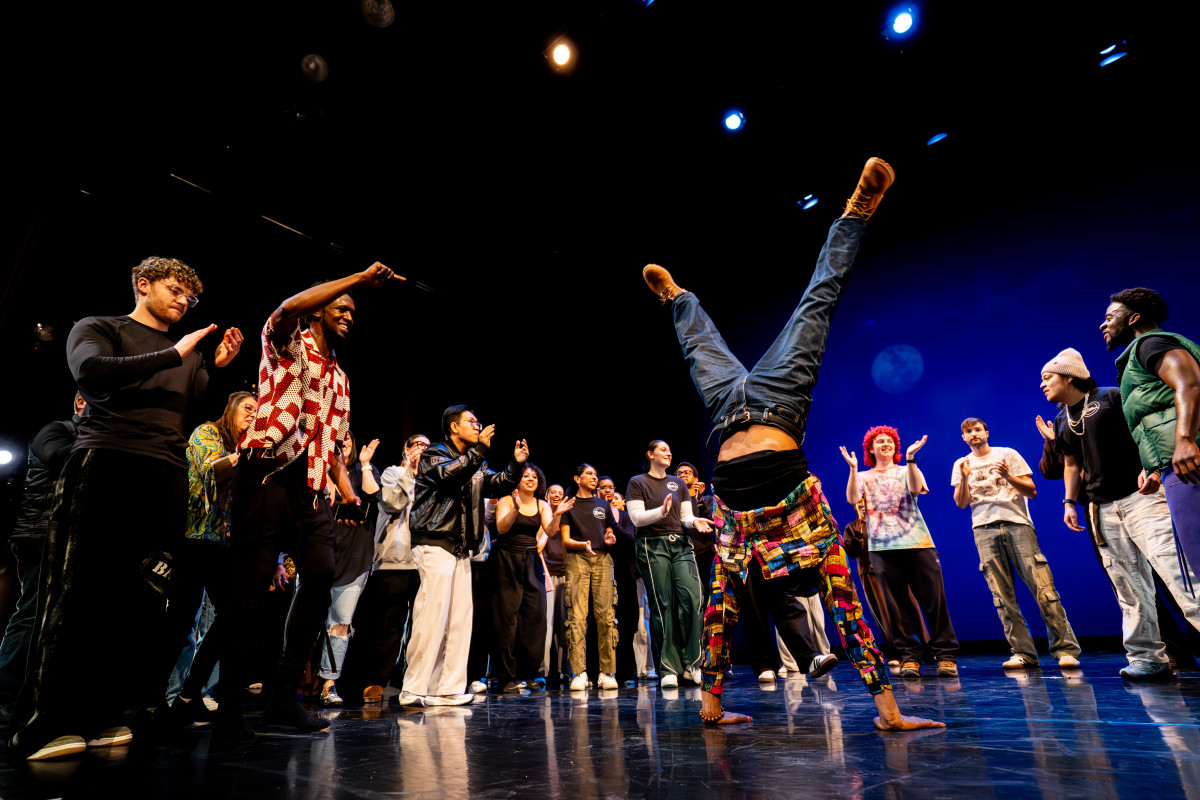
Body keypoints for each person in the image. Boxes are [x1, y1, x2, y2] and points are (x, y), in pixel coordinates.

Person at [645, 157, 942, 730]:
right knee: (818, 301)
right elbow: (846, 608)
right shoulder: (816, 526)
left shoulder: (735, 533)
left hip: (729, 426)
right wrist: (889, 711)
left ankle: (678, 301)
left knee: (696, 346)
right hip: (782, 404)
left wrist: (711, 705)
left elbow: (720, 610)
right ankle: (855, 213)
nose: (783, 572)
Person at [7, 256, 243, 760]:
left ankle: (103, 715)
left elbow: (196, 409)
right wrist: (175, 353)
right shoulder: (100, 328)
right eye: (176, 290)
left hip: (164, 475)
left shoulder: (191, 354)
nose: (184, 301)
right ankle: (44, 724)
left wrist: (215, 369)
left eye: (191, 296)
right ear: (143, 284)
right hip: (105, 462)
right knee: (75, 594)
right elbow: (90, 373)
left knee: (138, 600)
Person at [216, 262, 400, 741]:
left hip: (313, 485)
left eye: (354, 312)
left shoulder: (340, 376)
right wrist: (358, 279)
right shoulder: (285, 343)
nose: (350, 316)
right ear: (319, 309)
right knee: (249, 591)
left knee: (319, 575)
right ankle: (230, 707)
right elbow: (287, 308)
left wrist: (348, 489)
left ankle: (283, 698)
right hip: (266, 472)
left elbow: (335, 444)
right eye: (342, 308)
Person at [1040, 346, 1200, 680]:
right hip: (1100, 507)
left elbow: (1142, 434)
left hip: (1140, 496)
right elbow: (1072, 464)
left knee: (1176, 572)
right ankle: (1147, 657)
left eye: (1048, 377)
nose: (1043, 385)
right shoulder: (1062, 418)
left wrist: (1152, 468)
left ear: (1069, 376)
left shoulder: (1111, 398)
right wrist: (1069, 503)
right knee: (1128, 587)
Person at [396, 405, 528, 707]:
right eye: (471, 422)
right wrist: (479, 450)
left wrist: (515, 466)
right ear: (454, 427)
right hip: (435, 540)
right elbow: (447, 476)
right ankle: (413, 688)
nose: (477, 426)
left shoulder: (474, 462)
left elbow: (496, 483)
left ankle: (447, 688)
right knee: (431, 616)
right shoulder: (434, 453)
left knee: (459, 620)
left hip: (461, 547)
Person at [950, 417, 1081, 670]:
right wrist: (965, 478)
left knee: (1043, 589)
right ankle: (1023, 653)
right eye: (968, 431)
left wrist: (1007, 475)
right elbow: (962, 503)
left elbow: (1031, 490)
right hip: (983, 529)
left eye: (977, 429)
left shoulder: (1007, 453)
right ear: (964, 438)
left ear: (986, 432)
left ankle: (1065, 650)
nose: (974, 434)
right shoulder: (961, 464)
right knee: (1002, 595)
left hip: (1017, 524)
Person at [160, 391, 258, 725]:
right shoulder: (207, 433)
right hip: (193, 539)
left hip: (219, 544)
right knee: (180, 623)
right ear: (231, 409)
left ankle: (190, 693)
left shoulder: (246, 449)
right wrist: (244, 452)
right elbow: (209, 473)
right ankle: (156, 699)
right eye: (248, 409)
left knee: (233, 613)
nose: (252, 416)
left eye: (257, 413)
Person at [843, 426, 960, 680]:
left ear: (895, 446)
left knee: (934, 603)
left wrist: (910, 458)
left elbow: (916, 489)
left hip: (917, 543)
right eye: (879, 441)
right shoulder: (863, 476)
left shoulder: (907, 469)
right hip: (882, 549)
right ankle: (909, 658)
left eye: (889, 441)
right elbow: (853, 498)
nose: (885, 444)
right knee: (896, 609)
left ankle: (946, 656)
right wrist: (853, 469)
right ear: (871, 449)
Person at [1102, 288, 1200, 572]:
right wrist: (1154, 466)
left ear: (1133, 318)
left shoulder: (1151, 343)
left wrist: (1184, 441)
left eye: (1110, 317)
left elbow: (1190, 384)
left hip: (1189, 465)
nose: (1103, 324)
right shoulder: (1141, 355)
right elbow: (1157, 413)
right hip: (1177, 466)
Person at [0, 393, 85, 714]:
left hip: (69, 537)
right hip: (39, 533)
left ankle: (42, 691)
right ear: (80, 402)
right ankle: (6, 691)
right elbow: (62, 460)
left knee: (61, 617)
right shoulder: (56, 430)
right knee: (33, 611)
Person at [341, 434, 429, 703]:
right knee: (384, 624)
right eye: (417, 445)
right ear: (406, 448)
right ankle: (372, 681)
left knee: (418, 626)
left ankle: (409, 680)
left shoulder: (433, 479)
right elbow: (391, 502)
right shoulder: (392, 472)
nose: (422, 450)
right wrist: (409, 471)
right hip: (391, 560)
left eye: (427, 447)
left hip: (422, 562)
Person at [625, 442, 709, 689]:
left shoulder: (678, 483)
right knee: (663, 605)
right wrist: (661, 512)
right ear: (650, 454)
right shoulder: (637, 482)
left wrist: (695, 522)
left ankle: (692, 663)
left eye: (670, 450)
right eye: (662, 450)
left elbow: (684, 517)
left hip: (680, 544)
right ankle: (668, 668)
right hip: (652, 545)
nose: (668, 452)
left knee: (693, 598)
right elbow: (637, 518)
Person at [316, 433, 382, 706]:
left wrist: (366, 464)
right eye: (337, 440)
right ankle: (289, 684)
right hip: (319, 553)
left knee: (340, 624)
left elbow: (372, 494)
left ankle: (329, 683)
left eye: (348, 440)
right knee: (304, 623)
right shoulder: (317, 470)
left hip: (353, 557)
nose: (343, 444)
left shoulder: (361, 470)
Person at [492, 464, 566, 693]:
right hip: (507, 560)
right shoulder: (505, 500)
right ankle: (506, 677)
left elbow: (551, 531)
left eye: (534, 476)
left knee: (534, 618)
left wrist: (558, 515)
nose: (530, 479)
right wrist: (515, 508)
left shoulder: (542, 504)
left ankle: (530, 674)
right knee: (506, 620)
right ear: (517, 480)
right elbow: (502, 528)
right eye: (526, 476)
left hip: (531, 560)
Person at [562, 464, 621, 691]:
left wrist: (609, 536)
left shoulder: (603, 504)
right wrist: (581, 544)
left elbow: (610, 530)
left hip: (602, 559)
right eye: (589, 474)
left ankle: (607, 672)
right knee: (577, 616)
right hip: (577, 559)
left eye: (596, 474)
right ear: (577, 478)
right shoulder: (570, 504)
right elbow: (565, 539)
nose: (594, 477)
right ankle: (579, 672)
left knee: (606, 616)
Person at [599, 477, 641, 687]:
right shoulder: (594, 516)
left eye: (611, 489)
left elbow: (630, 540)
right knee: (603, 622)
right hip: (601, 571)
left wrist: (612, 523)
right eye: (603, 488)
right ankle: (602, 671)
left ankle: (626, 671)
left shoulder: (624, 516)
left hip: (624, 573)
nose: (608, 492)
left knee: (626, 622)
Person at [541, 484, 570, 684]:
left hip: (566, 574)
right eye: (553, 492)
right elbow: (538, 545)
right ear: (547, 495)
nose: (557, 495)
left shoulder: (568, 517)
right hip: (547, 574)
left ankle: (564, 670)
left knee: (565, 624)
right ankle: (543, 671)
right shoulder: (542, 514)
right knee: (546, 623)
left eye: (560, 493)